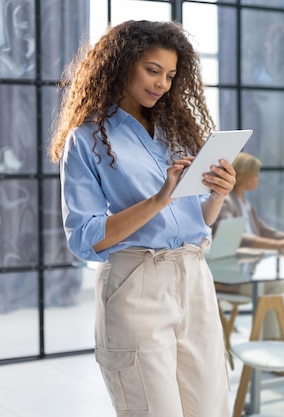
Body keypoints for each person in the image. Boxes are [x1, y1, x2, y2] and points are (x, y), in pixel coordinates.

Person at [47, 20, 234, 417]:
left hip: (194, 279)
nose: (162, 84)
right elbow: (85, 238)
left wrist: (218, 194)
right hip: (137, 285)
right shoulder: (87, 139)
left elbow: (197, 221)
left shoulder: (176, 132)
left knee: (210, 408)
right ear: (122, 65)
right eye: (152, 71)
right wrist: (159, 198)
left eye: (170, 75)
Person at [213, 152, 284, 339]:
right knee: (278, 287)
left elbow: (266, 232)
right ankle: (275, 345)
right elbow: (238, 238)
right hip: (231, 277)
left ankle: (279, 343)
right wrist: (278, 245)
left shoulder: (245, 204)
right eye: (255, 174)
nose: (258, 179)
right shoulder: (225, 203)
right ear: (244, 175)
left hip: (248, 272)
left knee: (282, 288)